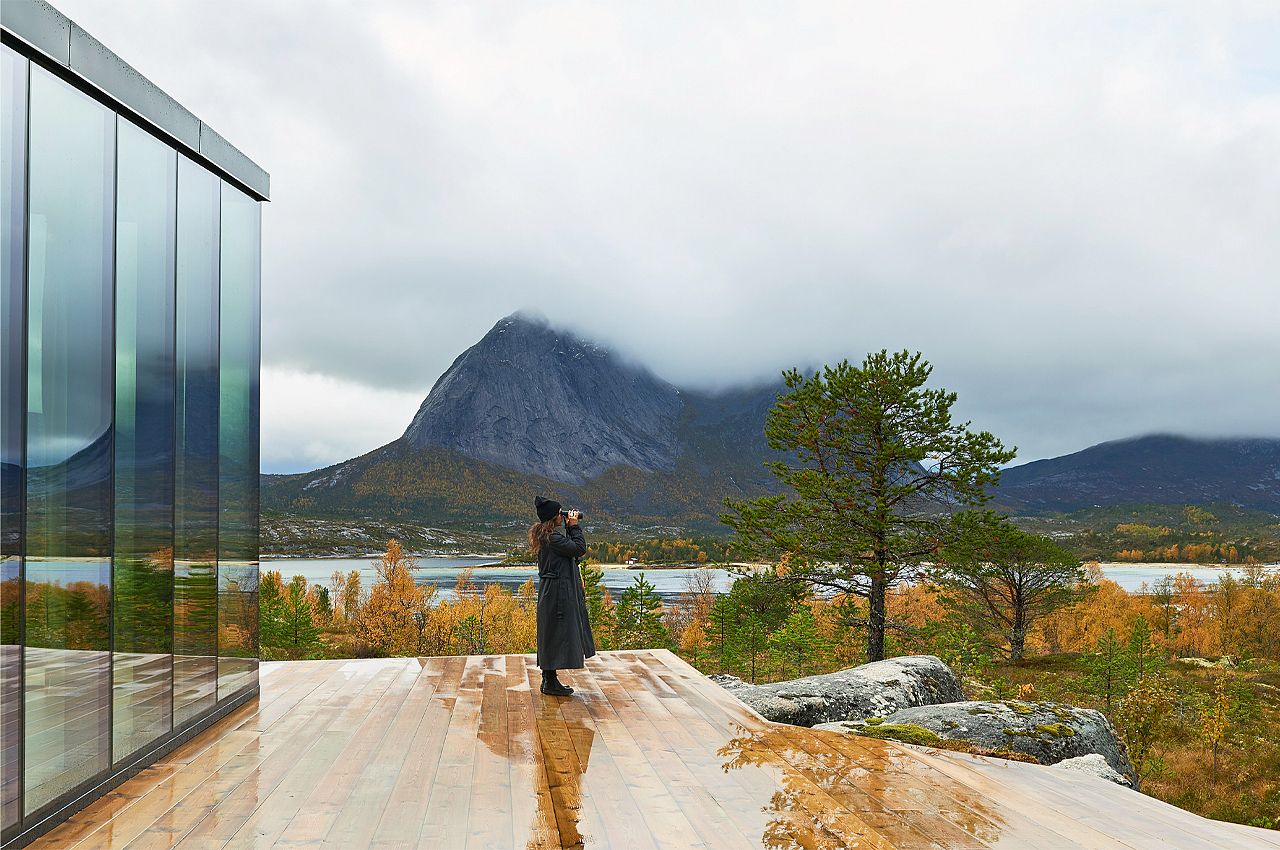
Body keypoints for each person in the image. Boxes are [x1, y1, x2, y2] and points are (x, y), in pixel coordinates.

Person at [530, 496, 596, 696]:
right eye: (560, 513)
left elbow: (570, 553)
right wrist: (574, 526)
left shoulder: (547, 537)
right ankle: (549, 682)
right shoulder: (553, 539)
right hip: (557, 594)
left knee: (551, 634)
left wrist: (569, 528)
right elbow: (579, 549)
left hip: (552, 592)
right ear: (553, 517)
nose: (563, 515)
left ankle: (549, 681)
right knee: (554, 634)